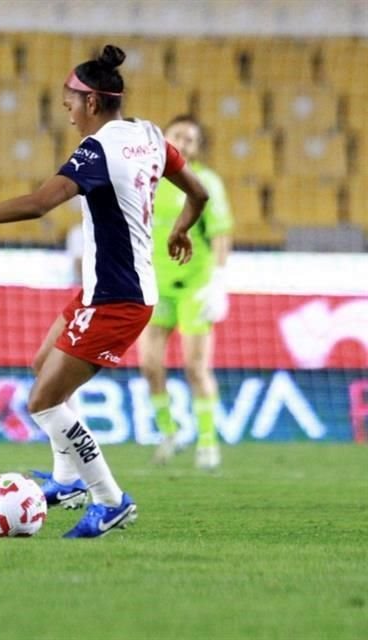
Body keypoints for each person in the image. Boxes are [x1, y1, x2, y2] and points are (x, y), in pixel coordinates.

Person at [0, 45, 209, 538]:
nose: (67, 112)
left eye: (70, 102)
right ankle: (68, 481)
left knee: (44, 401)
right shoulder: (150, 135)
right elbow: (197, 193)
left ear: (91, 102)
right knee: (42, 367)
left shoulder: (98, 150)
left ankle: (110, 500)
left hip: (119, 299)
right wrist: (181, 228)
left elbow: (37, 205)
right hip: (105, 289)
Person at [139, 115, 233, 470]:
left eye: (191, 139)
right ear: (162, 138)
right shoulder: (145, 178)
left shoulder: (205, 181)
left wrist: (219, 282)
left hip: (195, 285)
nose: (184, 142)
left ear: (197, 148)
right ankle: (169, 433)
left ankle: (208, 442)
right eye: (178, 135)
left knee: (195, 368)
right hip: (154, 285)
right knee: (149, 365)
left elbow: (221, 234)